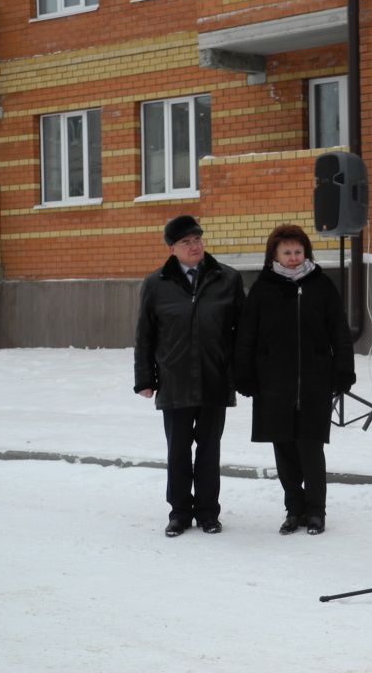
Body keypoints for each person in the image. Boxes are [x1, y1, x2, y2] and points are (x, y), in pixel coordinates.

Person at [234, 224, 355, 536]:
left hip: (314, 383)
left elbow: (340, 332)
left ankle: (316, 512)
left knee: (311, 448)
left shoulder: (321, 285)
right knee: (284, 450)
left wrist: (343, 370)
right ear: (274, 254)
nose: (292, 257)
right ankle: (294, 510)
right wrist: (244, 373)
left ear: (306, 253)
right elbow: (246, 335)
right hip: (274, 384)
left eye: (298, 252)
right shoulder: (263, 288)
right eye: (286, 252)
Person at [134, 215, 245, 537]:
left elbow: (242, 332)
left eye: (197, 239)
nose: (195, 246)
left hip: (215, 377)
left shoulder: (227, 279)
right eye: (186, 242)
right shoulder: (156, 284)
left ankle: (209, 512)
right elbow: (145, 335)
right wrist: (145, 379)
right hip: (175, 379)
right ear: (172, 249)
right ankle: (180, 512)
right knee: (178, 450)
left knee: (210, 450)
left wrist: (240, 373)